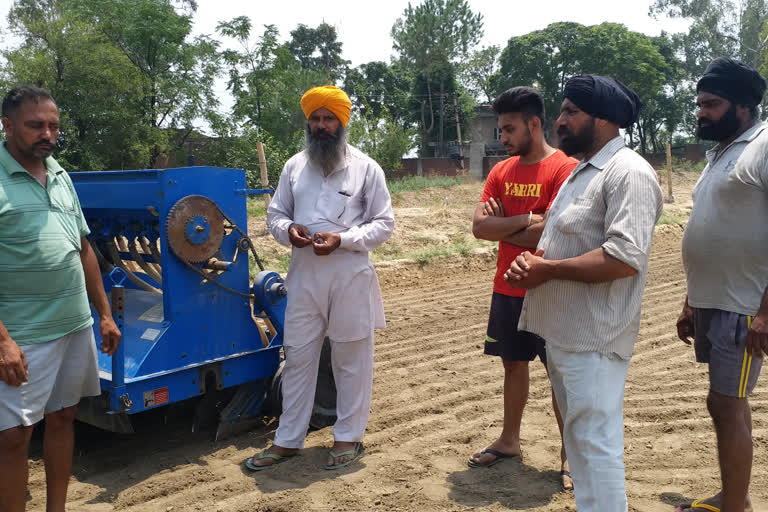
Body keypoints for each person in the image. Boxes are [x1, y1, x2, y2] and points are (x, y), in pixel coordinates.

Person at [505, 75, 663, 512]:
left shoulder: (629, 172)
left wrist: (547, 268)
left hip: (594, 339)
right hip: (565, 335)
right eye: (562, 111)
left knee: (595, 446)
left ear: (604, 120)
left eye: (571, 112)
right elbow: (560, 239)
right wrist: (531, 261)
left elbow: (623, 257)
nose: (559, 120)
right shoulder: (582, 173)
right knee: (581, 443)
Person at [247, 85, 394, 471]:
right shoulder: (294, 166)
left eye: (329, 118)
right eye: (315, 118)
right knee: (298, 356)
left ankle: (348, 437)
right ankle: (287, 440)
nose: (321, 125)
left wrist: (343, 239)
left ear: (342, 122)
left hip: (350, 275)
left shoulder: (367, 168)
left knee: (350, 358)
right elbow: (276, 215)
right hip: (304, 276)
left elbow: (384, 224)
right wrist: (288, 231)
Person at [0, 86, 121, 512]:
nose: (47, 134)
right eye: (36, 125)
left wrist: (104, 314)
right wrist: (3, 342)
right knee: (13, 436)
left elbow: (83, 248)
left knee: (64, 417)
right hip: (23, 332)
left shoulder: (61, 175)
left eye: (53, 125)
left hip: (74, 326)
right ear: (8, 125)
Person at [467, 86, 577, 491]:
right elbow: (479, 227)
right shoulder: (500, 171)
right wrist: (528, 218)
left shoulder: (564, 169)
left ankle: (570, 455)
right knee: (513, 366)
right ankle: (510, 440)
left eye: (509, 129)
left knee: (559, 374)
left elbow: (555, 234)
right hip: (506, 289)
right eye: (500, 130)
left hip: (548, 288)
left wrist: (509, 224)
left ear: (534, 124)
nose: (503, 139)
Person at [675, 57, 768, 512]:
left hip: (746, 304)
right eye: (699, 104)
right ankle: (733, 496)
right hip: (713, 302)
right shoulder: (720, 153)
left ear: (743, 106)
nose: (700, 112)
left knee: (727, 403)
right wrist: (691, 301)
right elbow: (710, 228)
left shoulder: (765, 144)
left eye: (710, 104)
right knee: (721, 404)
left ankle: (737, 506)